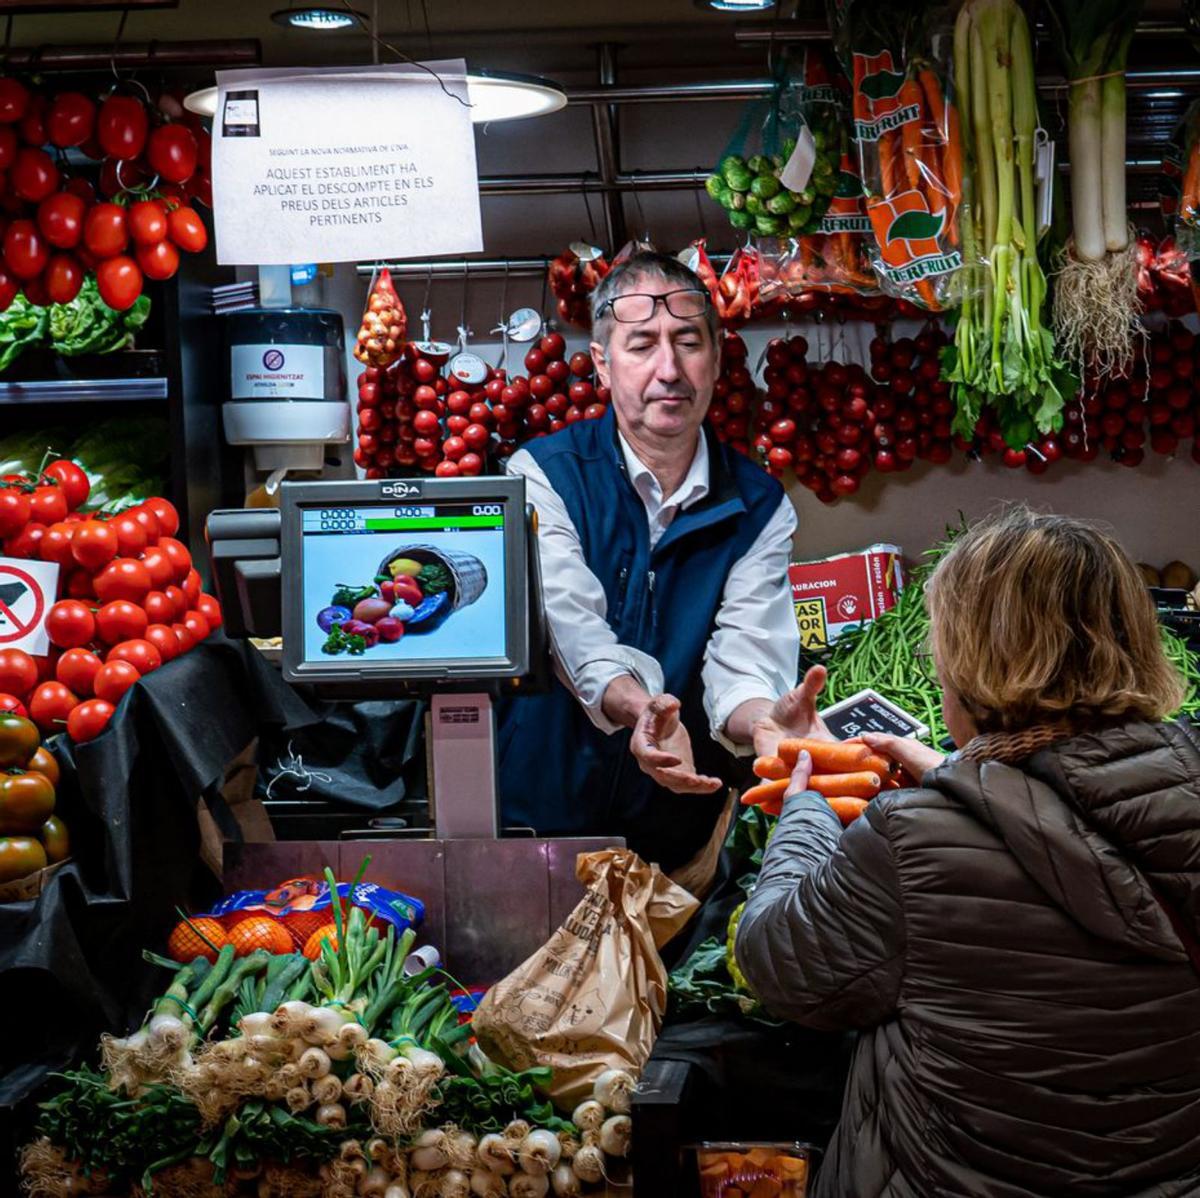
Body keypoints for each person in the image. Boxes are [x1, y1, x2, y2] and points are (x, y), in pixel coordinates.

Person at [734, 506, 1200, 1197]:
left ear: (973, 663)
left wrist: (805, 813)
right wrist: (961, 777)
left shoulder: (910, 841)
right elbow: (1088, 820)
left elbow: (778, 964)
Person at [499, 250, 823, 872]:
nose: (668, 369)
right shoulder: (542, 476)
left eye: (687, 343)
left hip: (677, 831)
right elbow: (573, 631)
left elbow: (746, 661)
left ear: (719, 359)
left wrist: (765, 721)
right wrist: (640, 706)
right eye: (642, 344)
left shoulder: (758, 506)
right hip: (539, 822)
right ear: (602, 363)